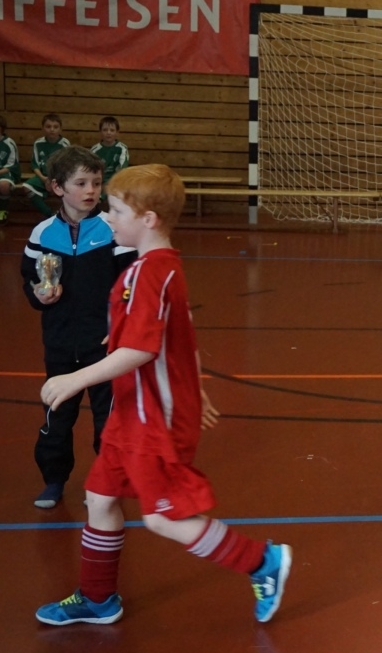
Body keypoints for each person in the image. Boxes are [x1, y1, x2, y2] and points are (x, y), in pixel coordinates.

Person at [35, 164, 291, 626]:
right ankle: (97, 598)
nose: (108, 218)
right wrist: (195, 385)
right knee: (100, 498)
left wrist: (76, 379)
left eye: (117, 210)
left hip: (153, 417)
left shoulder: (152, 273)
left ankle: (261, 561)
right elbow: (180, 337)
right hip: (131, 412)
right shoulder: (153, 267)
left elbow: (141, 349)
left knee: (162, 517)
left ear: (148, 219)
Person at [21, 147, 136, 508]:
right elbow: (29, 280)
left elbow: (131, 285)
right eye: (81, 183)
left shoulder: (113, 230)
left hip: (104, 346)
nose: (91, 190)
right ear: (57, 187)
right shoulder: (42, 234)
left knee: (108, 420)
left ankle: (105, 485)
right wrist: (40, 294)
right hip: (59, 344)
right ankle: (54, 480)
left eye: (96, 183)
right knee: (57, 418)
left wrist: (122, 325)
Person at [23, 114, 72, 217]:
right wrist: (44, 179)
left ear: (60, 129)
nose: (52, 130)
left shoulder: (65, 144)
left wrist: (54, 180)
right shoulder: (38, 143)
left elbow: (66, 166)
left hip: (59, 177)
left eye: (55, 127)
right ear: (43, 128)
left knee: (69, 189)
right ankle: (49, 213)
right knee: (27, 187)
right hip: (43, 177)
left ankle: (68, 215)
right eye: (48, 126)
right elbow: (35, 165)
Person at [90, 116, 131, 189]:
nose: (108, 133)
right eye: (105, 130)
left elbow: (123, 169)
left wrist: (111, 183)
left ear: (117, 132)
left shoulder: (122, 149)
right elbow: (91, 170)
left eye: (112, 130)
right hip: (99, 183)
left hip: (116, 182)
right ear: (100, 132)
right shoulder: (94, 150)